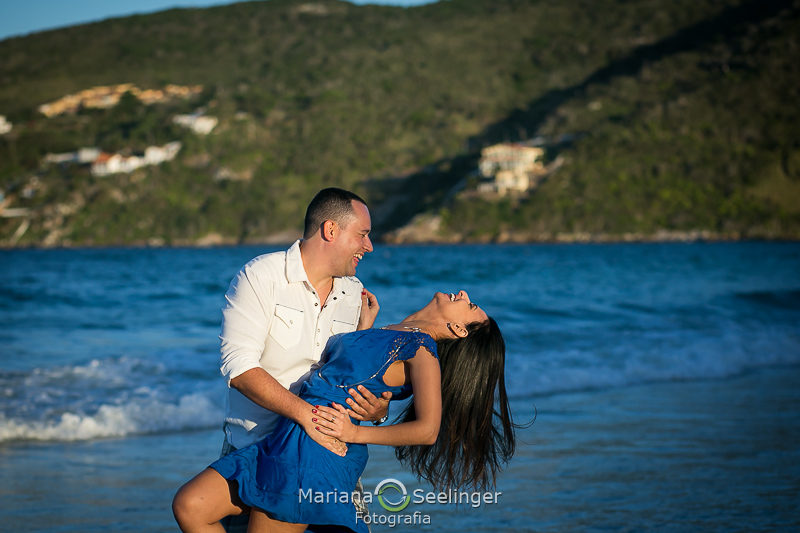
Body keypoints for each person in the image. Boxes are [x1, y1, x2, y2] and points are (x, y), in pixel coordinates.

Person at [173, 290, 518, 533]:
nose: (461, 293)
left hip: (315, 452)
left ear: (459, 330)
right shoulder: (396, 332)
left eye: (470, 305)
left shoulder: (422, 349)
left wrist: (355, 433)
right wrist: (366, 327)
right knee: (191, 506)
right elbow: (358, 375)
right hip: (290, 433)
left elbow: (428, 430)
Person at [216, 188, 391, 531]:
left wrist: (378, 411)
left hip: (327, 458)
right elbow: (238, 366)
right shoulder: (262, 276)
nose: (368, 246)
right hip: (254, 454)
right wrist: (306, 415)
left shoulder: (354, 293)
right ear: (330, 230)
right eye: (362, 235)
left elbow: (348, 376)